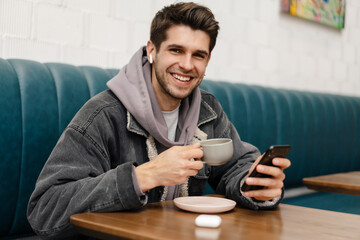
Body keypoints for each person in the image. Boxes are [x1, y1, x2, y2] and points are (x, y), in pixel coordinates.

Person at [27, 2, 291, 239]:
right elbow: (45, 209)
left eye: (198, 55)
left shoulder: (207, 109)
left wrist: (255, 186)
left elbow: (236, 166)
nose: (187, 65)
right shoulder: (104, 114)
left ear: (208, 60)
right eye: (176, 50)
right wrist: (143, 176)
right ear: (152, 50)